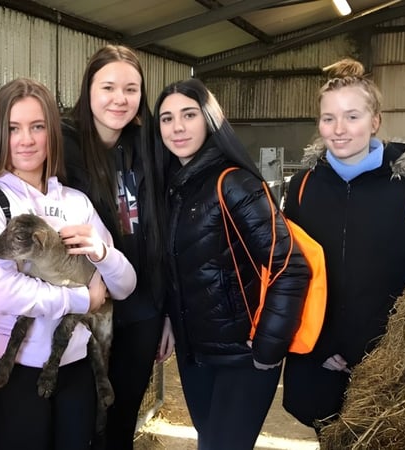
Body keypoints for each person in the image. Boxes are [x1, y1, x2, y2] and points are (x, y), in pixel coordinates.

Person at [0, 77, 137, 450]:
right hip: (12, 370)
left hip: (75, 365)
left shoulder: (75, 202)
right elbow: (3, 293)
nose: (26, 140)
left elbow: (124, 285)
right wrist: (83, 300)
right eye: (13, 128)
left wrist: (103, 254)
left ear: (52, 133)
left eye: (37, 127)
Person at [281, 58, 405, 431]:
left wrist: (376, 351)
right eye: (329, 118)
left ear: (374, 121)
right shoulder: (304, 186)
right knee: (328, 430)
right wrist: (325, 345)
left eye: (352, 116)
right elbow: (294, 270)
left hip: (387, 356)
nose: (339, 130)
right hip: (319, 350)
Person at [152, 78, 311, 450]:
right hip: (197, 355)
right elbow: (178, 268)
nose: (177, 127)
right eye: (166, 118)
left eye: (188, 115)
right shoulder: (174, 187)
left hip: (243, 358)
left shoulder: (234, 182)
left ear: (209, 120)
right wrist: (169, 319)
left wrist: (267, 350)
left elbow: (291, 266)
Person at [62, 44, 169, 450]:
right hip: (85, 306)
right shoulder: (62, 145)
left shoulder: (149, 145)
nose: (119, 99)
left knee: (122, 417)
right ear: (88, 88)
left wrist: (167, 313)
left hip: (141, 308)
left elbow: (166, 230)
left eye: (131, 88)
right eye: (108, 87)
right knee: (81, 419)